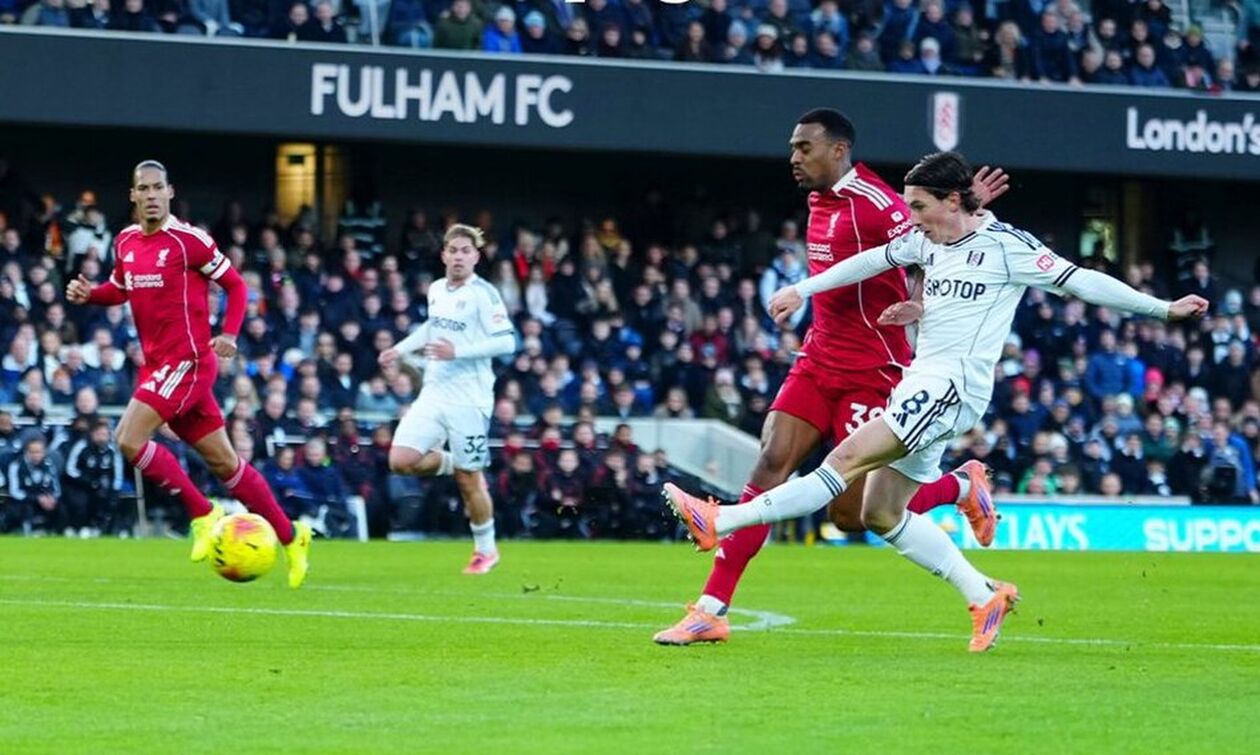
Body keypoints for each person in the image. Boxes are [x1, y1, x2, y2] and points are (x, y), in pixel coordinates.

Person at [665, 151, 1208, 652]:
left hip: (951, 390)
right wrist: (803, 291)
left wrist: (1162, 309)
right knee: (879, 512)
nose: (912, 218)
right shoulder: (926, 242)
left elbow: (1082, 281)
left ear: (952, 201)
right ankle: (983, 594)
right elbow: (869, 261)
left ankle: (723, 519)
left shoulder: (1007, 248)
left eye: (920, 207)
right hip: (918, 383)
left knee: (843, 461)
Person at [652, 110, 1009, 646]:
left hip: (874, 370)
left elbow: (928, 249)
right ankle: (710, 610)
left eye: (804, 148)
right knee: (770, 462)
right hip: (818, 361)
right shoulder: (820, 200)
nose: (793, 158)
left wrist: (921, 292)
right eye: (793, 148)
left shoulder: (878, 203)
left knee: (853, 514)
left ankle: (958, 486)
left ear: (838, 150)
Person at [65, 160, 312, 587]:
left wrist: (229, 333)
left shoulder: (189, 241)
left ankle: (203, 512)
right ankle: (292, 537)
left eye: (158, 187)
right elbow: (120, 289)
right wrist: (91, 294)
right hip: (158, 366)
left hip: (190, 362)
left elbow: (236, 285)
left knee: (127, 438)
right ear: (133, 195)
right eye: (144, 189)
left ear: (170, 192)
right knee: (225, 463)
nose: (152, 195)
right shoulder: (125, 241)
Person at [379, 224, 516, 574]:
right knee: (400, 460)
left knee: (470, 481)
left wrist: (459, 352)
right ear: (443, 255)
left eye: (465, 251)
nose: (458, 256)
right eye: (453, 250)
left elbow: (507, 342)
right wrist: (399, 349)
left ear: (476, 257)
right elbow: (433, 327)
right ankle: (457, 462)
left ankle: (486, 551)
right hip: (434, 391)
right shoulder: (437, 289)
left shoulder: (484, 294)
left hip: (470, 400)